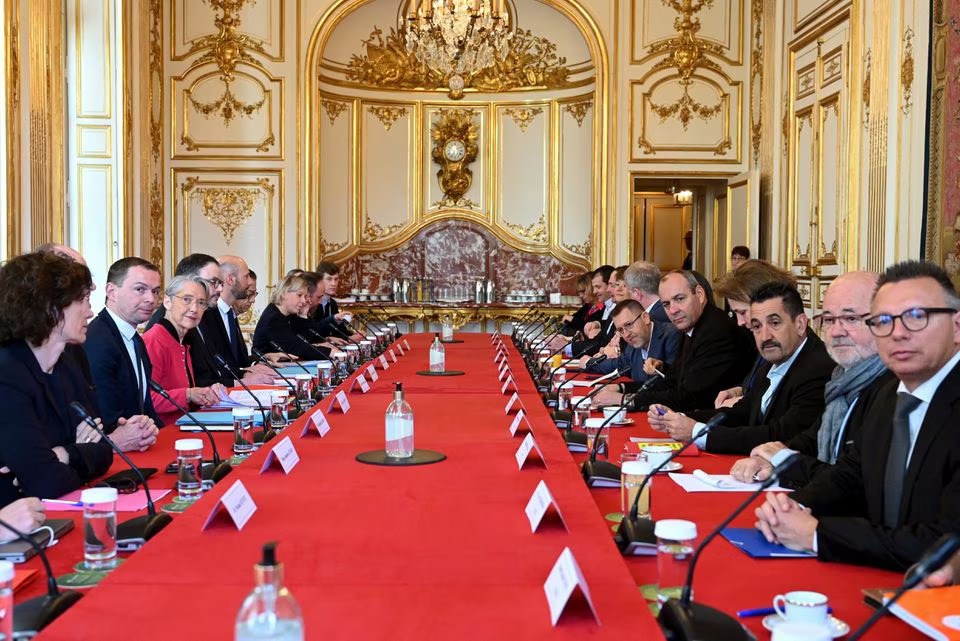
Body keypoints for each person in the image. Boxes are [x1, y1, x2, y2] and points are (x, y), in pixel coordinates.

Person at [755, 261, 960, 571]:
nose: (898, 333)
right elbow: (851, 475)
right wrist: (793, 505)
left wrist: (817, 535)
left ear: (956, 326)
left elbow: (944, 542)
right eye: (883, 320)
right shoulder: (890, 393)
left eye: (917, 317)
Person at [728, 272, 891, 486]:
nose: (836, 332)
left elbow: (855, 480)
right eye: (830, 320)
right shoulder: (842, 377)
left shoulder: (891, 387)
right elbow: (812, 438)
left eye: (851, 318)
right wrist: (770, 458)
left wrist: (783, 459)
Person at [648, 281, 835, 454]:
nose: (764, 336)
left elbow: (781, 436)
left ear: (800, 324)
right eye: (757, 326)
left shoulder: (818, 368)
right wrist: (678, 419)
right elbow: (742, 412)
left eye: (775, 323)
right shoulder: (771, 360)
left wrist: (698, 433)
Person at [0, 252, 113, 505]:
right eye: (83, 300)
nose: (90, 312)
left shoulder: (67, 364)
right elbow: (46, 481)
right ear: (51, 309)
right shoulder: (7, 376)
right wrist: (79, 453)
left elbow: (104, 451)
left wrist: (63, 453)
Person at [594, 270, 753, 411]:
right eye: (666, 304)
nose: (673, 310)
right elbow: (671, 382)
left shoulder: (716, 331)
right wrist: (620, 387)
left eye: (680, 299)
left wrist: (625, 400)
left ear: (699, 294)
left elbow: (687, 398)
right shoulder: (692, 326)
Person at [83, 257, 163, 451]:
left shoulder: (135, 338)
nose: (151, 299)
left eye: (155, 291)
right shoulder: (97, 339)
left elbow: (144, 405)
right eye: (140, 289)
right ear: (111, 291)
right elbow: (106, 415)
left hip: (142, 445)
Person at [142, 276, 226, 427]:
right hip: (163, 434)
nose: (194, 309)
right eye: (187, 300)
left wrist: (205, 392)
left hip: (187, 426)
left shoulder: (183, 340)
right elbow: (146, 400)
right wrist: (188, 395)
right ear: (168, 302)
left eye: (201, 303)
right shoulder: (154, 340)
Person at [712, 260, 797, 407]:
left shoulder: (785, 347)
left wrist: (746, 403)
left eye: (742, 312)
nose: (740, 322)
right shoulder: (761, 338)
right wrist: (741, 391)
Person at [197, 255, 276, 384]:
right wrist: (244, 376)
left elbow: (236, 361)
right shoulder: (207, 314)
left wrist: (256, 363)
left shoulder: (229, 313)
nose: (249, 282)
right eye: (246, 277)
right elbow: (215, 369)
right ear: (231, 279)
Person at [581, 299, 678, 387]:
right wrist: (588, 363)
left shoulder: (672, 336)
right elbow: (616, 365)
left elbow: (671, 382)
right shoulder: (632, 345)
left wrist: (622, 389)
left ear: (645, 318)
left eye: (628, 325)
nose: (626, 334)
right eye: (620, 330)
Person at [254, 273, 331, 360]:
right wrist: (330, 352)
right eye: (299, 295)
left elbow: (305, 340)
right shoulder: (274, 318)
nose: (303, 301)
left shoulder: (289, 315)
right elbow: (295, 348)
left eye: (305, 296)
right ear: (284, 293)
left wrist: (303, 315)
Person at [560, 272, 595, 337]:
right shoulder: (588, 306)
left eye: (583, 291)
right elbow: (574, 318)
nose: (581, 296)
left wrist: (571, 319)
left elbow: (588, 327)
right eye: (579, 293)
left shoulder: (602, 308)